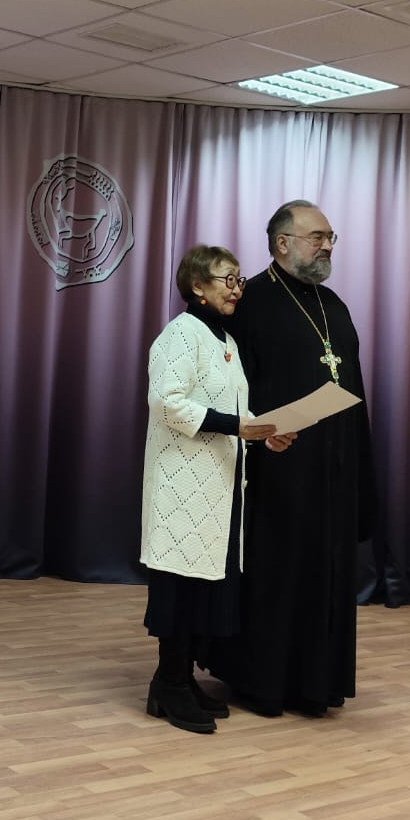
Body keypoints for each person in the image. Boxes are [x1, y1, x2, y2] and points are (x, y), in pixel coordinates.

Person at [207, 200, 377, 718]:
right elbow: (227, 387)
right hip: (274, 468)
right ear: (282, 243)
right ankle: (262, 682)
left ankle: (317, 683)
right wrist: (257, 434)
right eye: (316, 237)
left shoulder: (334, 305)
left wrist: (359, 468)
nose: (326, 246)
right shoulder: (252, 302)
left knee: (326, 576)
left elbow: (352, 387)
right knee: (275, 576)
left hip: (334, 469)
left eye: (330, 238)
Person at [141, 244, 295, 734]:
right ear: (197, 287)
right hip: (183, 485)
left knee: (206, 587)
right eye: (227, 280)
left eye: (239, 280)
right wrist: (237, 426)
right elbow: (166, 403)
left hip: (220, 487)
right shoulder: (180, 334)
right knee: (180, 587)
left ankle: (178, 680)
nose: (236, 290)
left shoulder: (224, 340)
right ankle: (168, 683)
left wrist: (265, 433)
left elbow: (237, 412)